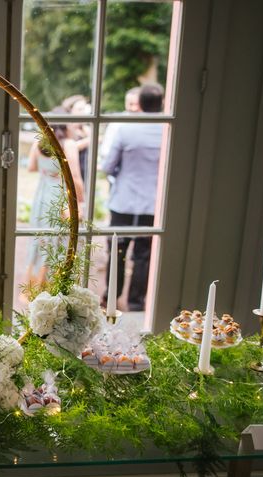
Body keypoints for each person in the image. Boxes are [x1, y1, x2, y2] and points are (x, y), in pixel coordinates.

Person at [100, 84, 164, 311]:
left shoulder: (125, 128)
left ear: (141, 104)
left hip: (123, 201)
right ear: (161, 103)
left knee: (117, 250)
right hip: (153, 203)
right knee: (143, 255)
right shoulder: (167, 128)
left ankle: (111, 298)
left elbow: (107, 166)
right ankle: (136, 303)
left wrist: (120, 173)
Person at [25, 109, 85, 286]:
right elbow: (75, 177)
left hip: (43, 195)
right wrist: (79, 203)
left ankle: (34, 286)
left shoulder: (39, 144)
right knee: (61, 240)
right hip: (61, 195)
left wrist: (48, 171)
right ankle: (55, 285)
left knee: (42, 239)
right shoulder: (68, 145)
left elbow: (31, 167)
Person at [99, 87, 141, 164]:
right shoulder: (116, 123)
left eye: (138, 104)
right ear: (125, 103)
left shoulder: (151, 123)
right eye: (130, 104)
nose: (134, 108)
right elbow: (106, 150)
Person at [62, 95, 91, 181]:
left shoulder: (86, 129)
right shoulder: (66, 130)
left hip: (86, 173)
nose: (83, 112)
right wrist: (89, 140)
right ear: (70, 110)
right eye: (80, 109)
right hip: (72, 174)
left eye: (84, 109)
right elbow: (67, 149)